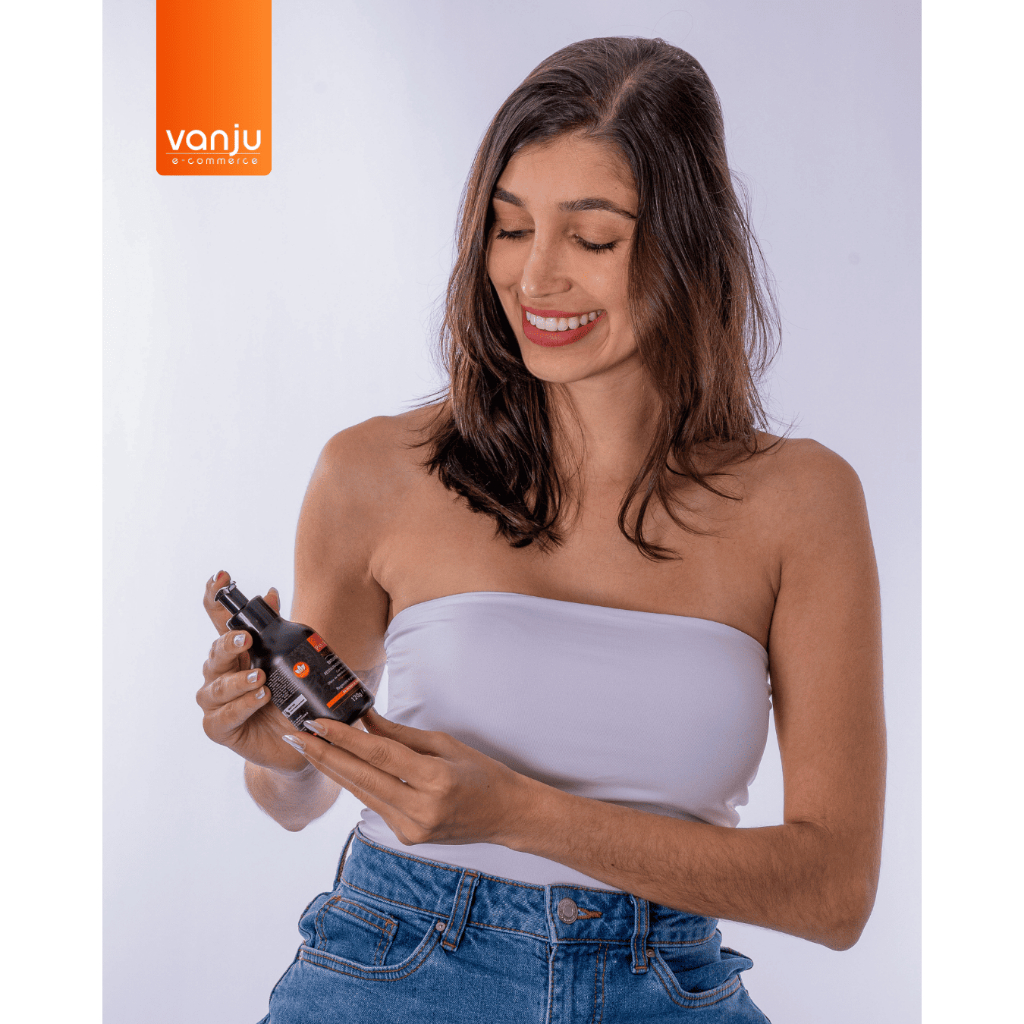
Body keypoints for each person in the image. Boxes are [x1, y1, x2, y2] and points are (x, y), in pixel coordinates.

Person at [197, 36, 885, 1023]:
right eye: (510, 228)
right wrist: (280, 752)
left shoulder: (802, 501)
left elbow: (834, 894)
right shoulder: (375, 472)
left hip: (666, 985)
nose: (533, 276)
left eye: (592, 239)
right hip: (393, 969)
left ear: (688, 246)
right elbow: (302, 796)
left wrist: (520, 813)